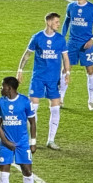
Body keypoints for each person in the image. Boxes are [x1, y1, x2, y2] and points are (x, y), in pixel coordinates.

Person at [17, 12, 71, 150]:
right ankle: (32, 139)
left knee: (55, 108)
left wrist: (67, 72)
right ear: (48, 22)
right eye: (56, 22)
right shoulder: (37, 37)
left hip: (54, 79)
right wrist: (20, 70)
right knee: (33, 108)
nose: (59, 24)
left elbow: (65, 58)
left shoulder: (60, 39)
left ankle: (51, 140)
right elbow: (27, 54)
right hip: (38, 78)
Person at [0, 77, 41, 183]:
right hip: (5, 143)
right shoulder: (0, 102)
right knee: (4, 173)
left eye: (2, 86)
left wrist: (33, 142)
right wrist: (5, 141)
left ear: (9, 88)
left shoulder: (25, 101)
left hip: (22, 143)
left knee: (27, 171)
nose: (1, 88)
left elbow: (32, 122)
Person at [61, 0, 93, 110]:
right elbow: (66, 23)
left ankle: (91, 101)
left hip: (86, 44)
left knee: (90, 71)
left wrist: (92, 39)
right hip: (72, 43)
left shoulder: (92, 8)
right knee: (65, 69)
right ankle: (61, 99)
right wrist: (62, 37)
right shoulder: (70, 7)